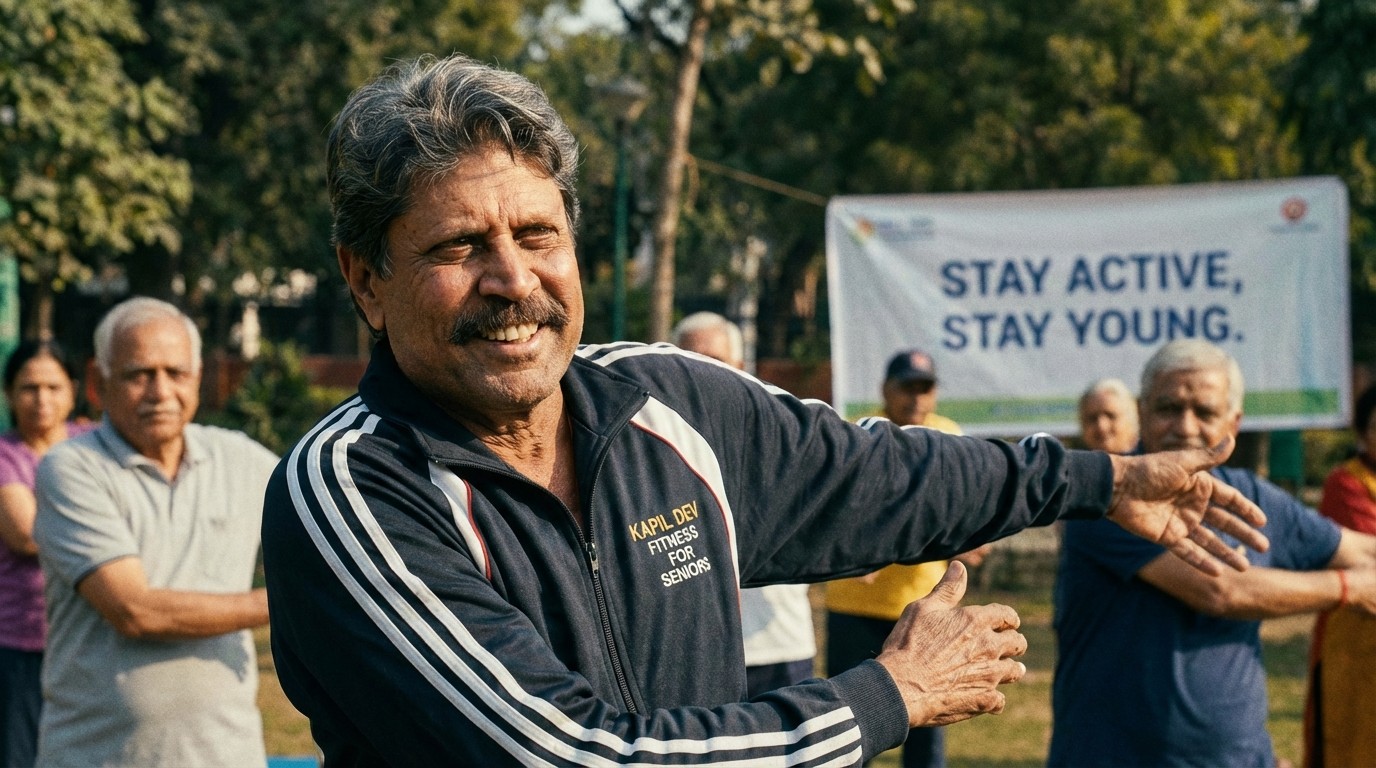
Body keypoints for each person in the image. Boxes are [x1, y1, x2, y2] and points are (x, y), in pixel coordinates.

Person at [261, 52, 1268, 766]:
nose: (511, 278)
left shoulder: (661, 401)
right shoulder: (353, 486)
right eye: (456, 248)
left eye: (538, 233)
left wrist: (1095, 478)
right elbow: (575, 758)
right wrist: (888, 695)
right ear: (365, 280)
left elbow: (881, 473)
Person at [1049, 340, 1376, 768]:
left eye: (1204, 412)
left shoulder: (1254, 496)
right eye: (1168, 408)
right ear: (1143, 411)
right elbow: (1220, 590)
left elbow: (1358, 548)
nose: (1185, 427)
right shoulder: (1108, 493)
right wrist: (1348, 587)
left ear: (1233, 422)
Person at [31, 297, 278, 767]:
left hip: (227, 753)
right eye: (138, 374)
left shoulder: (242, 461)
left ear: (198, 376)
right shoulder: (72, 469)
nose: (160, 391)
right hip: (97, 756)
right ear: (97, 383)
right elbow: (134, 610)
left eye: (176, 373)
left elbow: (333, 530)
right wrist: (283, 602)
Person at [825, 349, 985, 768]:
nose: (916, 398)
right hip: (855, 605)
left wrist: (970, 537)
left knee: (926, 728)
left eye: (925, 388)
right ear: (884, 390)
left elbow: (967, 513)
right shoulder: (859, 434)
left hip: (923, 608)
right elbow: (841, 511)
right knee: (849, 729)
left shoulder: (950, 437)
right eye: (906, 387)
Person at [672, 311, 818, 696]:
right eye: (688, 361)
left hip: (778, 649)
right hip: (696, 658)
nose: (700, 372)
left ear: (739, 366)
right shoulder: (651, 448)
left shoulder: (781, 434)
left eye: (714, 361)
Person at [0, 341, 93, 768]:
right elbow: (25, 535)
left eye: (53, 387)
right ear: (9, 394)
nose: (42, 400)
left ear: (72, 391)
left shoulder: (93, 444)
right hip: (23, 641)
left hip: (90, 635)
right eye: (28, 388)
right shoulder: (6, 458)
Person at [1304, 383, 1376, 767]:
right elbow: (1367, 551)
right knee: (1349, 744)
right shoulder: (1346, 483)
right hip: (1354, 642)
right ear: (1363, 433)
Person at [1077, 377, 1139, 454]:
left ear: (1132, 420)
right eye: (1092, 418)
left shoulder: (1151, 463)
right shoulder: (1071, 465)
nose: (1101, 426)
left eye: (1111, 416)